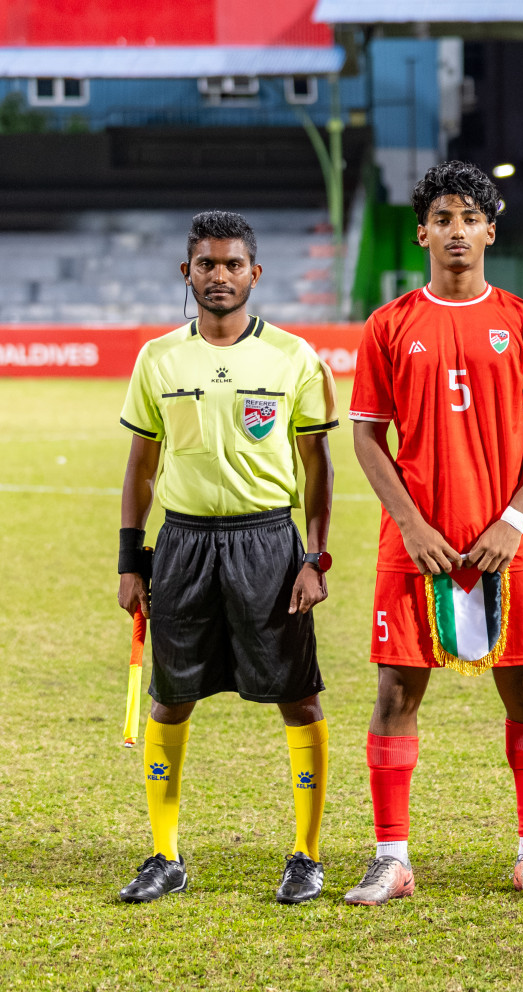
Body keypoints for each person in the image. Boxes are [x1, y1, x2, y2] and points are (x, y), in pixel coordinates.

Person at [342, 162, 523, 905]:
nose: (457, 230)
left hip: (507, 543)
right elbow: (369, 439)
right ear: (423, 232)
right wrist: (410, 524)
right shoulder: (388, 326)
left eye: (470, 217)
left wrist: (512, 520)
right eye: (443, 217)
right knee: (395, 690)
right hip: (416, 543)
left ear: (491, 230)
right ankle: (391, 858)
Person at [116, 210, 338, 904]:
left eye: (232, 263)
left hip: (270, 543)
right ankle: (163, 856)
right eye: (207, 264)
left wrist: (316, 556)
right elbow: (141, 466)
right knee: (170, 698)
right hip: (181, 544)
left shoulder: (295, 357)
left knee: (298, 698)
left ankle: (305, 855)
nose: (219, 275)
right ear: (188, 272)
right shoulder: (158, 358)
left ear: (254, 273)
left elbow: (317, 466)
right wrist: (130, 559)